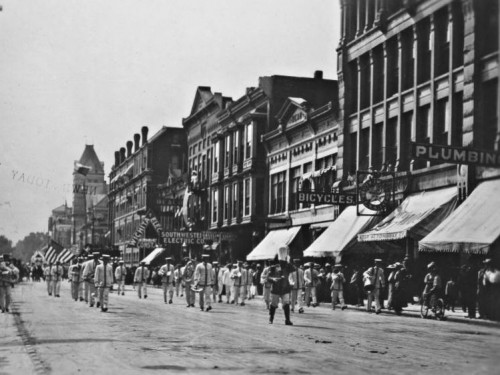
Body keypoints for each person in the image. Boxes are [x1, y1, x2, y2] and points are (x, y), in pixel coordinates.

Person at [265, 246, 294, 325]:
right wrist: (273, 279)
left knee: (286, 303)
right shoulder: (274, 267)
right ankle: (271, 318)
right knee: (274, 304)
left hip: (285, 288)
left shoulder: (288, 265)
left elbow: (294, 269)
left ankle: (287, 320)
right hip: (277, 288)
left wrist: (288, 260)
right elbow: (268, 277)